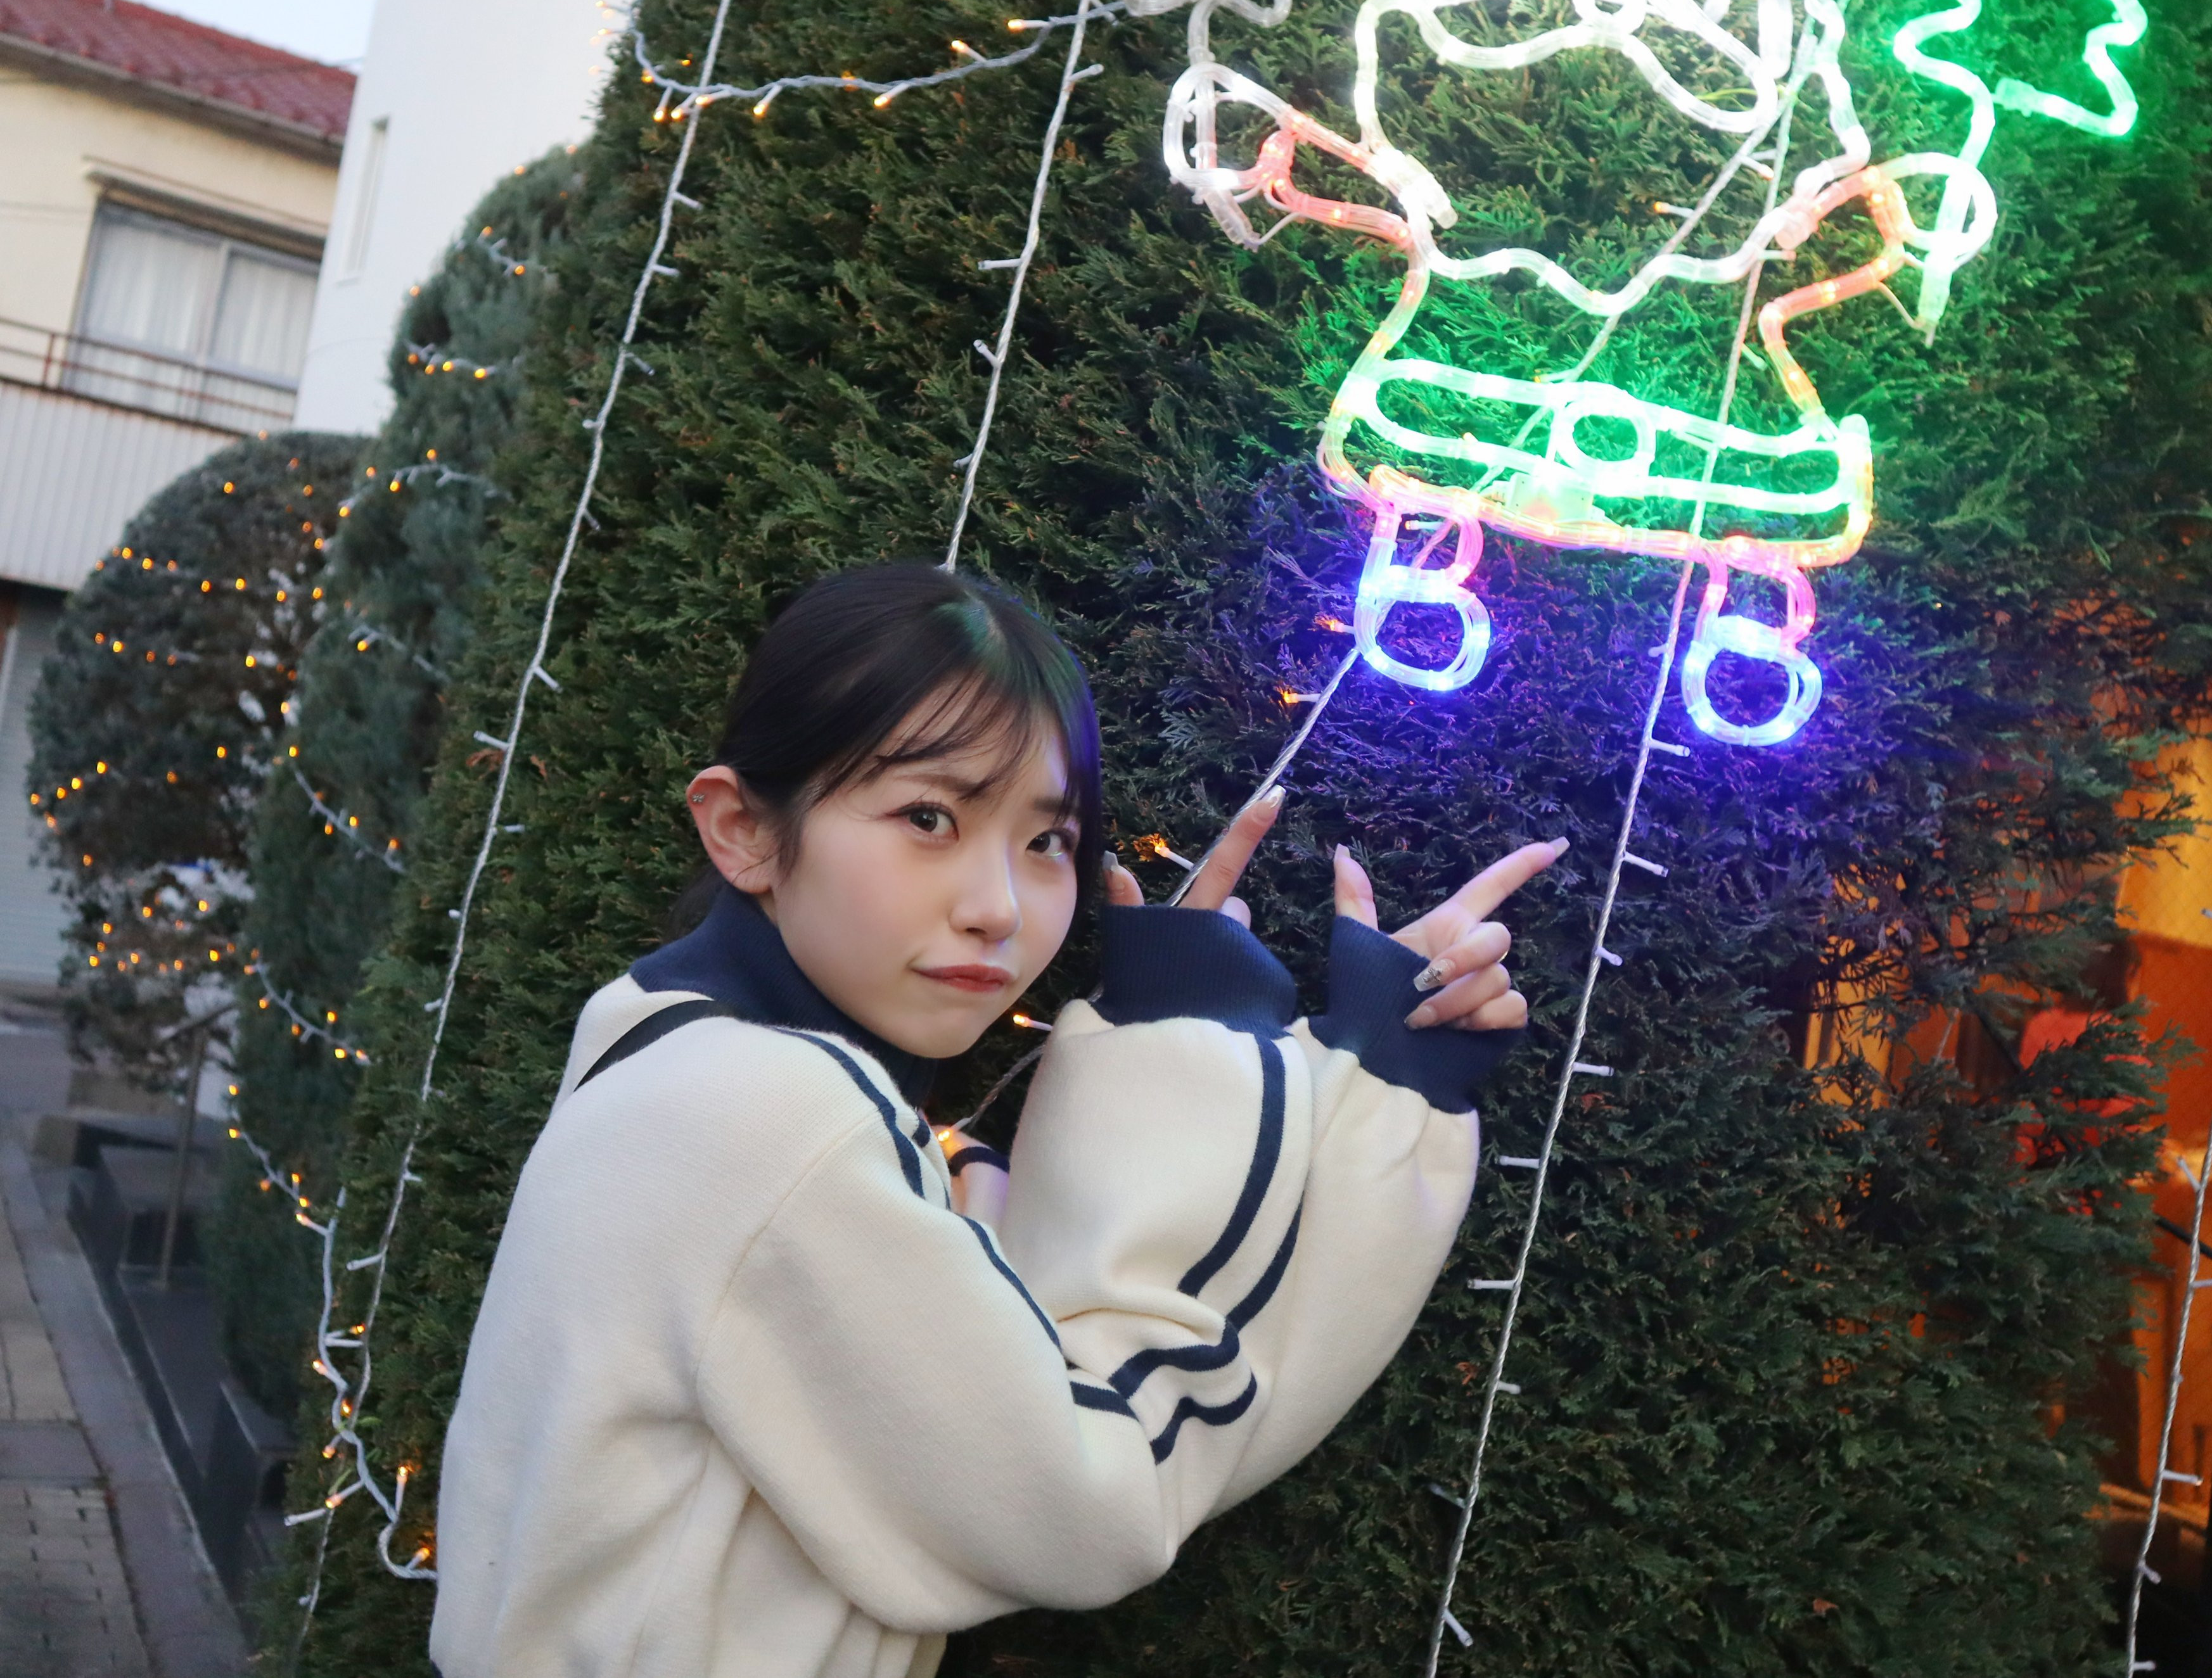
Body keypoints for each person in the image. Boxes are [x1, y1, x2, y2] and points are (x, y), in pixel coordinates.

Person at [430, 562, 1564, 1678]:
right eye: (927, 817)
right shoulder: (768, 1120)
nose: (998, 907)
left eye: (1047, 843)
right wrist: (1355, 1080)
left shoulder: (664, 1049)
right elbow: (1091, 1500)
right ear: (744, 830)